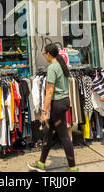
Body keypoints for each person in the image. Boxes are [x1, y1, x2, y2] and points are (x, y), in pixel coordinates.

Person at [28, 44, 78, 172]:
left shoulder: (52, 68)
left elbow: (49, 92)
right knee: (48, 133)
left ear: (49, 54)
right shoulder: (61, 65)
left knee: (63, 135)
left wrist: (44, 111)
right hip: (64, 101)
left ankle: (72, 167)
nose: (44, 56)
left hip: (58, 103)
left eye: (44, 53)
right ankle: (41, 163)